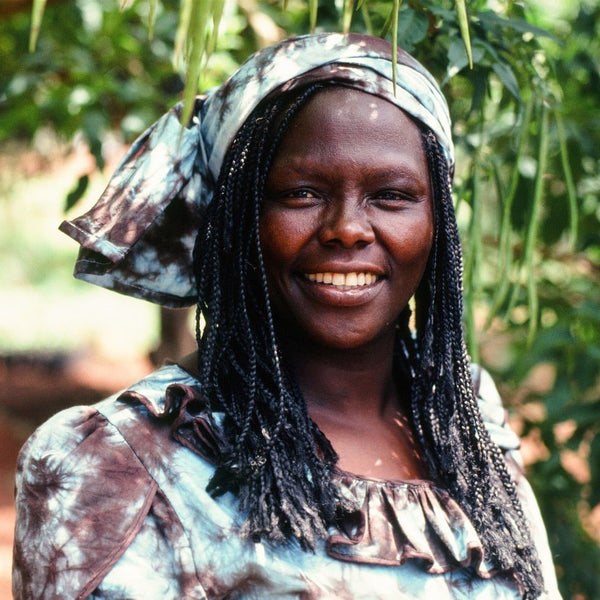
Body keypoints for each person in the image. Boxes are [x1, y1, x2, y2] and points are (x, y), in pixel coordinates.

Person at [12, 33, 561, 599]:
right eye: (301, 193)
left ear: (438, 220)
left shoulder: (465, 418)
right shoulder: (120, 465)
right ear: (237, 218)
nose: (348, 228)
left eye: (392, 196)